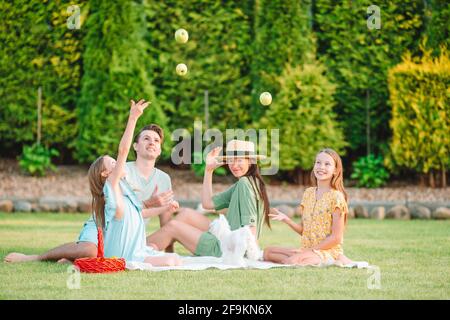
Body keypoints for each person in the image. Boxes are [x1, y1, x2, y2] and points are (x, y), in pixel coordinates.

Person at [4, 100, 180, 266]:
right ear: (107, 173)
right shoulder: (114, 180)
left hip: (119, 235)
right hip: (102, 226)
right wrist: (133, 118)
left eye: (156, 140)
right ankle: (37, 257)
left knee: (98, 255)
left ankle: (75, 259)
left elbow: (132, 210)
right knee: (89, 250)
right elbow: (123, 150)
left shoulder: (127, 187)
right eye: (114, 163)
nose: (119, 163)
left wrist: (161, 206)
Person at [146, 139, 271, 258]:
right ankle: (166, 249)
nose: (234, 165)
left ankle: (137, 249)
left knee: (173, 226)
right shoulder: (246, 183)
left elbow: (251, 227)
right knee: (186, 214)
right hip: (226, 235)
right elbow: (207, 203)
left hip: (228, 248)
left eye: (239, 160)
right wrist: (208, 170)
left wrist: (251, 255)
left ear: (250, 161)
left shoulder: (245, 184)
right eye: (231, 160)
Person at [263, 148, 353, 266]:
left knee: (292, 261)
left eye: (327, 164)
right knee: (267, 252)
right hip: (307, 250)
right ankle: (302, 257)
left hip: (326, 251)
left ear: (335, 170)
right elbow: (305, 231)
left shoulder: (337, 197)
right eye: (318, 162)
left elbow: (336, 237)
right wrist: (286, 219)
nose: (321, 167)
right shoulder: (308, 194)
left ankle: (335, 259)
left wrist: (310, 251)